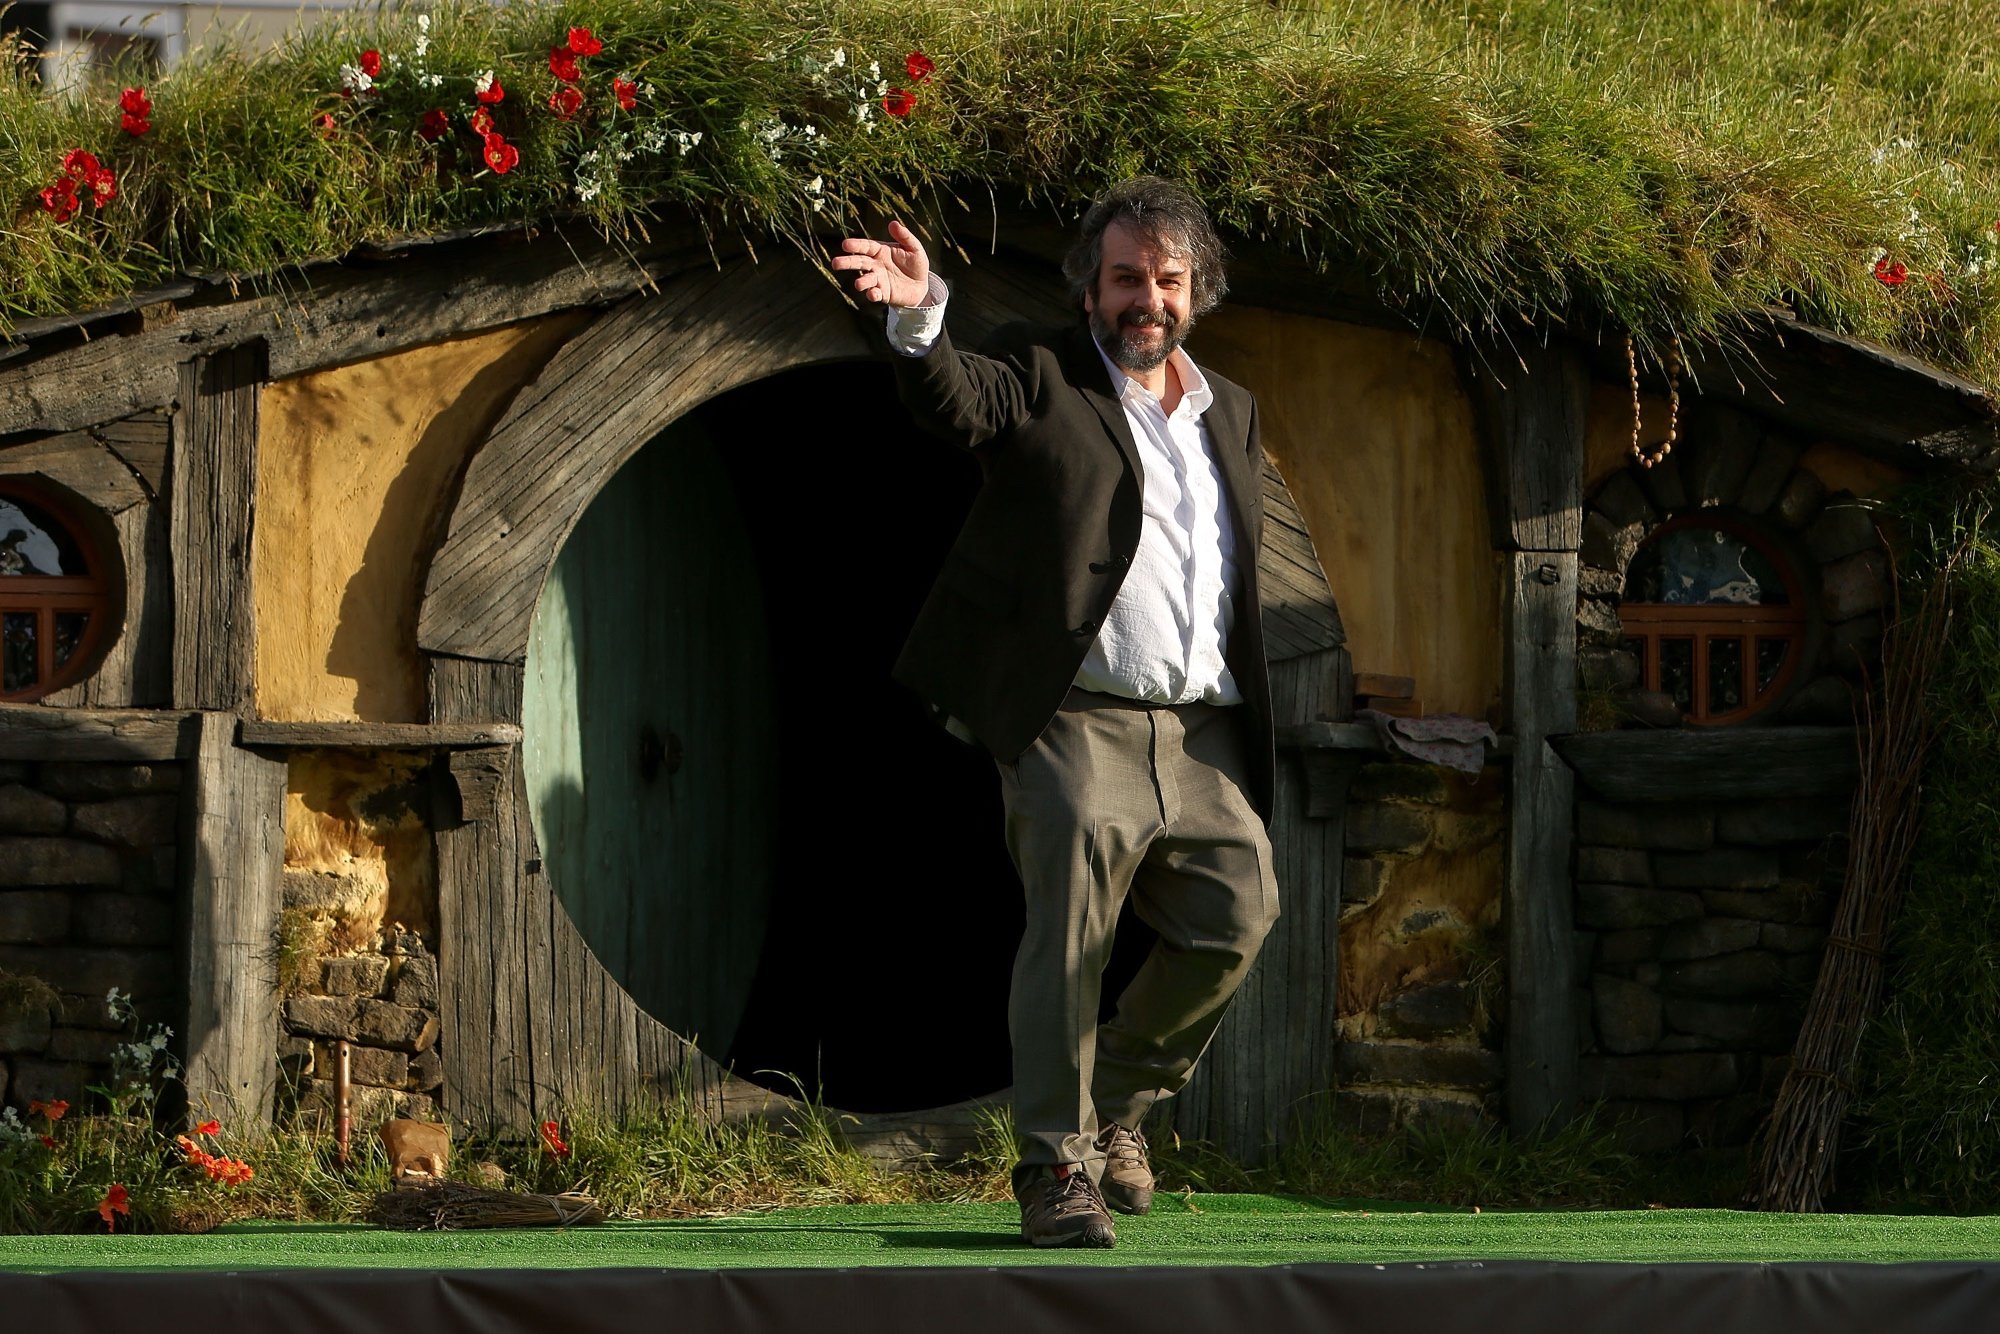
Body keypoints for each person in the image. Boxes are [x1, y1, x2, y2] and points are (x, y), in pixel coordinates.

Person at [834, 178, 1278, 1249]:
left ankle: (1113, 1106)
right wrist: (917, 312)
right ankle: (1052, 1168)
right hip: (1073, 719)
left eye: (1166, 280)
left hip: (1195, 731)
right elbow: (955, 398)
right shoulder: (1042, 374)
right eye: (1126, 277)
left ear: (1195, 291)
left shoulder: (1231, 408)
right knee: (1071, 940)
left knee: (1238, 914)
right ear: (1089, 287)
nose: (1146, 299)